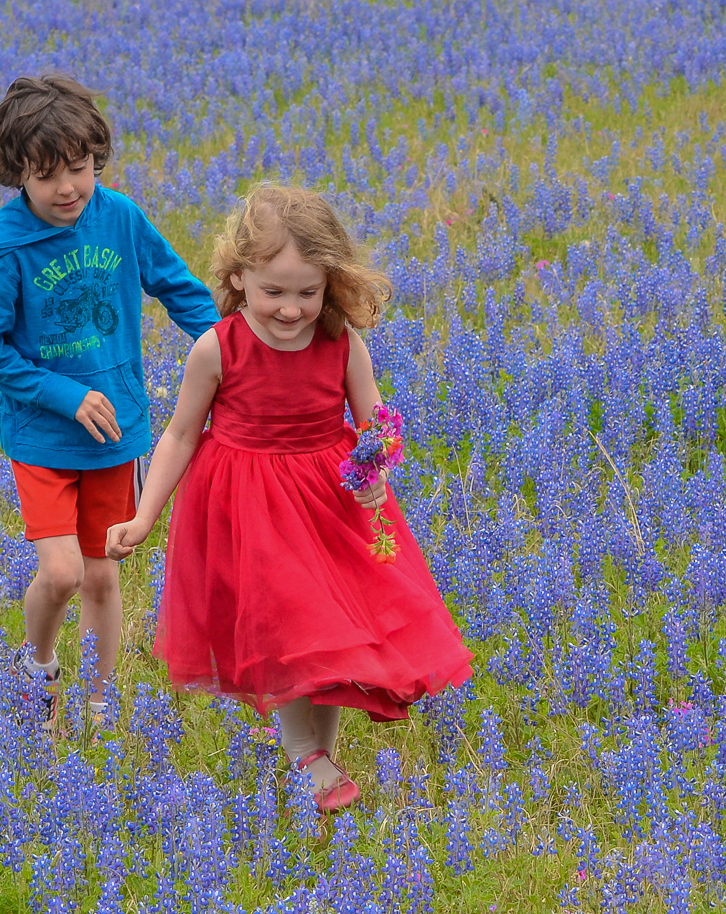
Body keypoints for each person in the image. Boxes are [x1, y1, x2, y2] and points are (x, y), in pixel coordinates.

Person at [106, 185, 473, 809]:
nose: (290, 308)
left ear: (331, 284)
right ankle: (307, 756)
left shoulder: (340, 344)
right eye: (274, 291)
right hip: (248, 507)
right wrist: (145, 514)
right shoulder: (217, 348)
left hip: (332, 503)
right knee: (292, 623)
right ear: (238, 276)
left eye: (308, 292)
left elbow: (375, 420)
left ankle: (317, 758)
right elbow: (179, 435)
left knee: (328, 639)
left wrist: (375, 469)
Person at [0, 74, 219, 733]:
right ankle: (38, 668)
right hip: (45, 439)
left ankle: (100, 707)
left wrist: (235, 351)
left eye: (80, 168)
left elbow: (180, 289)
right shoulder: (5, 249)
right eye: (49, 176)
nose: (69, 187)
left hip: (117, 434)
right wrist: (64, 394)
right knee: (62, 573)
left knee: (104, 579)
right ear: (17, 172)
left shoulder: (120, 217)